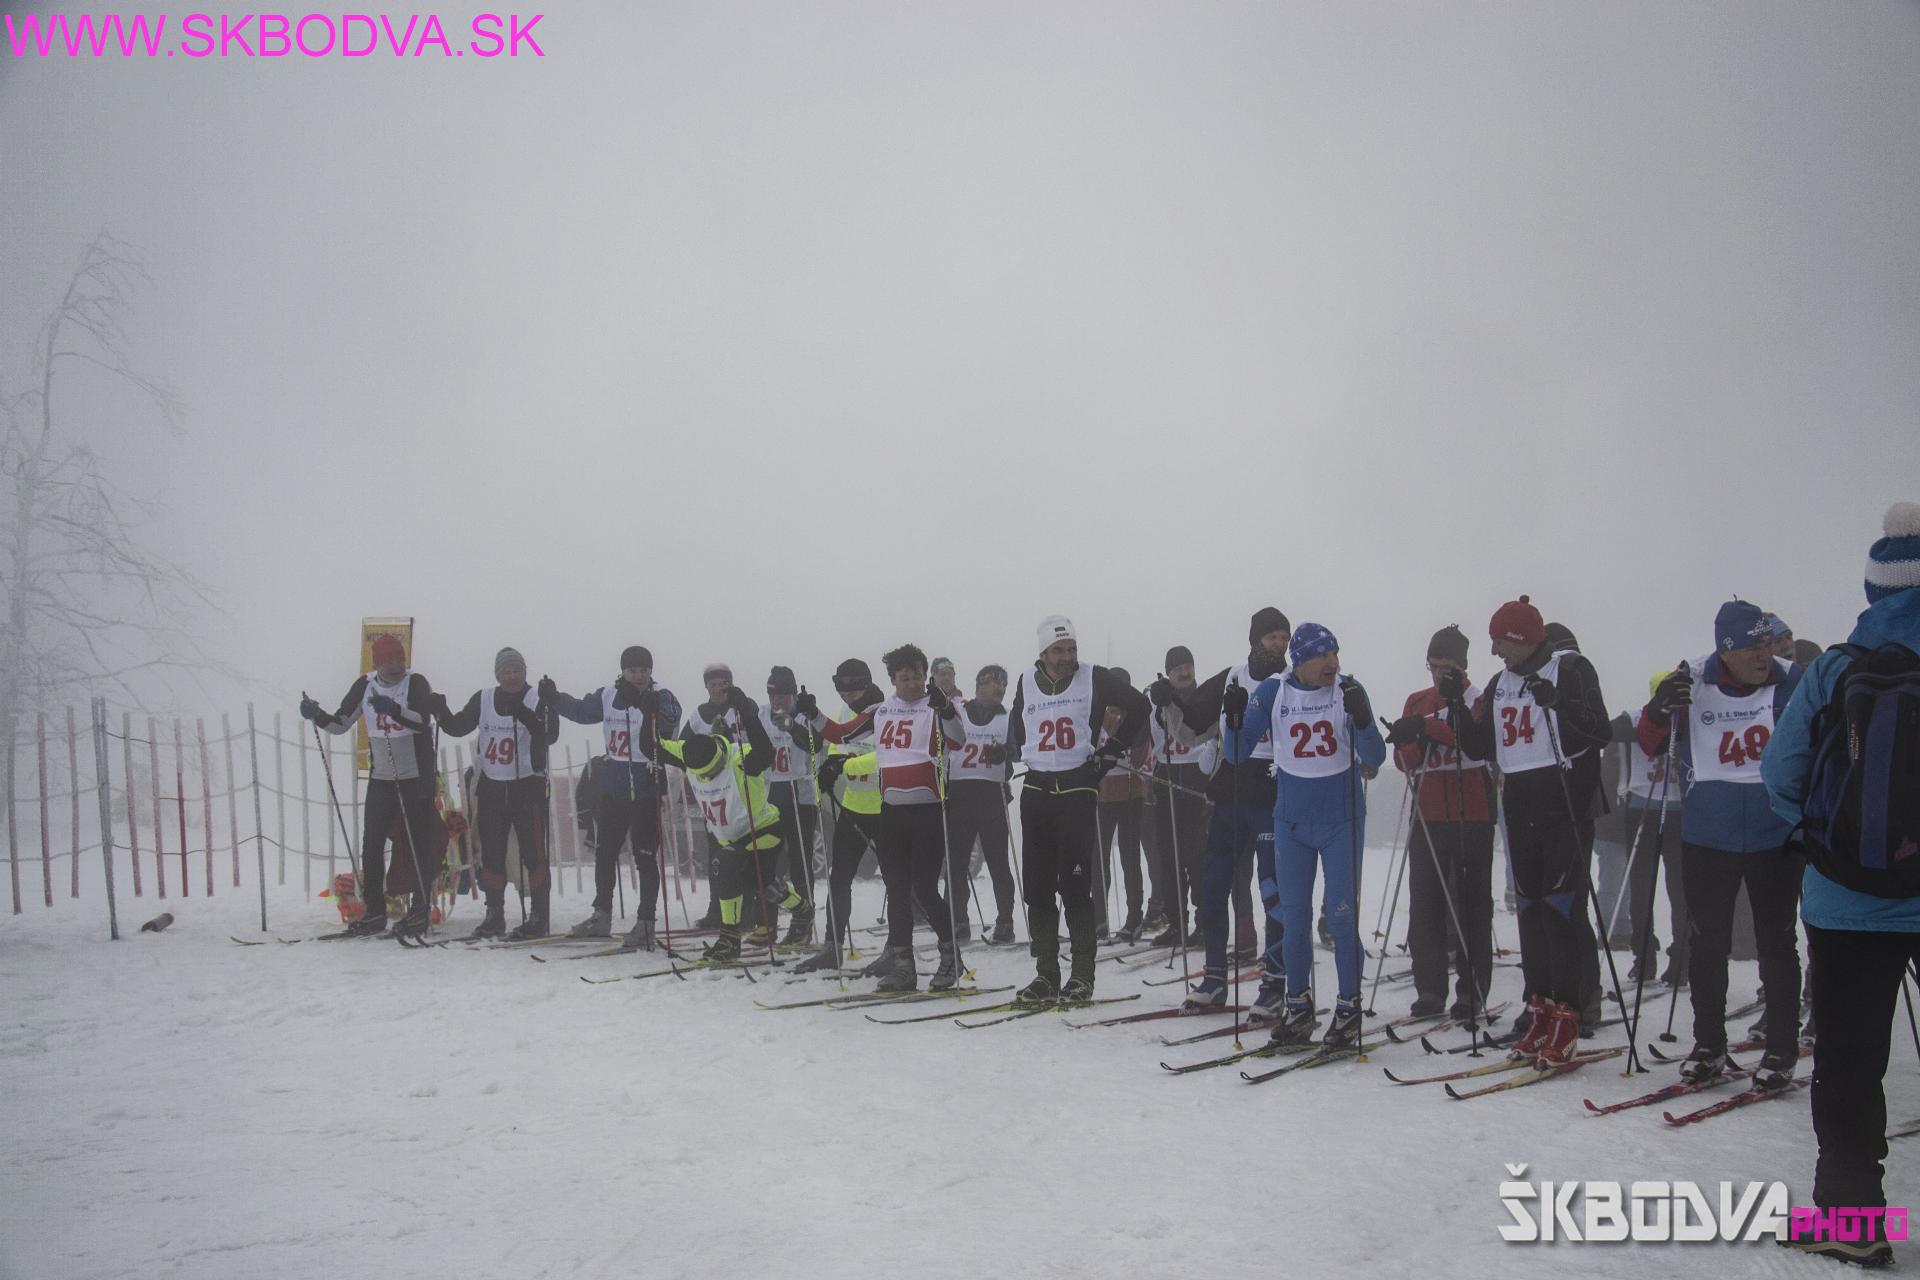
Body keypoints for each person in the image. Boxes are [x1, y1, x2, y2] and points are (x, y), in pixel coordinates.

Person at [1764, 501, 1920, 1269]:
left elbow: (1781, 773)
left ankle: (1854, 1222)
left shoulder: (1834, 669)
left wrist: (1820, 840)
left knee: (1851, 1061)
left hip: (1847, 899)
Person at [1638, 599, 1805, 1088]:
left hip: (1776, 835)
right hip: (1709, 836)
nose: (1764, 655)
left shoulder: (1794, 679)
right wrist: (1658, 706)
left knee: (1777, 943)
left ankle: (1780, 1049)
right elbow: (1650, 740)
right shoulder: (1691, 678)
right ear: (1726, 651)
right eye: (1754, 647)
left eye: (1769, 644)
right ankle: (1709, 1044)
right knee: (1707, 943)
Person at [1446, 595, 1611, 1067]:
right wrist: (1458, 706)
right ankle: (1538, 1007)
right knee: (1530, 914)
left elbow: (1597, 732)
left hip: (1564, 805)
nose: (1495, 650)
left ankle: (1569, 1014)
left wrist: (1558, 706)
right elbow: (1481, 747)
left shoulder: (1572, 669)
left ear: (1522, 638)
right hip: (1519, 806)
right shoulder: (1501, 683)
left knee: (1562, 912)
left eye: (1501, 640)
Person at [1232, 624, 1385, 1048]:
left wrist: (1364, 718)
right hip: (1292, 822)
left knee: (1340, 916)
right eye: (1323, 656)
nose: (1333, 663)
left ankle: (1349, 1008)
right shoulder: (1272, 692)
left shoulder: (1348, 690)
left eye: (1336, 653)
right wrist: (1232, 718)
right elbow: (1236, 752)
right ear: (1300, 660)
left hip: (1341, 820)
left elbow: (1375, 755)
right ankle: (1298, 1008)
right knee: (1292, 918)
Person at [800, 644, 970, 992]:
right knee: (895, 886)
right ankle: (904, 967)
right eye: (904, 678)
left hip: (928, 810)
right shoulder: (882, 710)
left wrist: (947, 711)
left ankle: (951, 956)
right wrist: (813, 713)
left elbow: (958, 740)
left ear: (926, 677)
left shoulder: (936, 706)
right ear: (893, 680)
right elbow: (840, 735)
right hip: (891, 810)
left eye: (918, 677)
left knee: (923, 887)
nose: (912, 684)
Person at [1009, 616, 1148, 1003]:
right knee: (1037, 887)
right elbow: (1019, 726)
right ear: (1043, 652)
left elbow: (1139, 706)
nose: (1067, 656)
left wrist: (1110, 753)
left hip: (1077, 789)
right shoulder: (1025, 681)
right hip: (1037, 790)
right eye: (1059, 650)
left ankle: (1082, 974)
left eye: (1071, 648)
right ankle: (1046, 974)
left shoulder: (1094, 677)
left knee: (1074, 883)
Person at [1160, 607, 1290, 1016]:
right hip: (1230, 796)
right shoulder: (1232, 677)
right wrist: (1168, 702)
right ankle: (1214, 977)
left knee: (1273, 892)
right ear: (1255, 639)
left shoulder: (1291, 681)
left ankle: (1274, 982)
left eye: (1284, 637)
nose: (1279, 644)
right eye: (1272, 637)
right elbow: (1194, 724)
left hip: (1270, 796)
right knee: (1214, 888)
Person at [1384, 625, 1497, 1021]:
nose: (1438, 674)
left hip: (1472, 812)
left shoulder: (1479, 699)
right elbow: (1404, 761)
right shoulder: (1418, 700)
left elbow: (1478, 744)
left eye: (1446, 667)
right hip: (1428, 813)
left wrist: (1433, 728)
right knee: (1425, 905)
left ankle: (1472, 990)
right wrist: (1407, 738)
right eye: (1432, 666)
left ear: (1462, 667)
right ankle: (1430, 988)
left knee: (1472, 905)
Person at [646, 684, 803, 964]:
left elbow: (765, 752)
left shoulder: (738, 759)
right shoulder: (688, 753)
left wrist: (746, 711)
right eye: (701, 776)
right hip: (731, 837)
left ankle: (729, 939)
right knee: (762, 883)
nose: (707, 778)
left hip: (763, 830)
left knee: (723, 866)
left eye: (712, 773)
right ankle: (803, 910)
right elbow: (650, 747)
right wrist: (648, 712)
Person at [299, 632, 443, 936]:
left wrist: (394, 710)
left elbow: (422, 720)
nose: (396, 666)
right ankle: (375, 911)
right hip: (382, 778)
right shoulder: (365, 685)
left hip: (416, 777)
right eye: (389, 660)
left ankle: (419, 910)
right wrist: (317, 715)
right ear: (377, 662)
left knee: (419, 842)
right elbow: (341, 724)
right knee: (372, 844)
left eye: (400, 659)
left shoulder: (415, 683)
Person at [541, 646, 683, 947]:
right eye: (633, 670)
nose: (639, 676)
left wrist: (648, 706)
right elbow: (581, 711)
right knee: (605, 854)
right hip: (615, 787)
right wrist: (554, 699)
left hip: (646, 787)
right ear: (623, 671)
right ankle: (601, 915)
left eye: (644, 670)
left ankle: (646, 922)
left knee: (646, 858)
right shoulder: (608, 695)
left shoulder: (662, 695)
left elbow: (671, 724)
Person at [434, 647, 559, 940]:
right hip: (492, 788)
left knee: (533, 854)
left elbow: (549, 733)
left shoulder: (535, 697)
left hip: (527, 787)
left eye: (516, 670)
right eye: (506, 671)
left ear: (524, 672)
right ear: (497, 674)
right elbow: (457, 726)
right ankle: (494, 914)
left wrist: (527, 715)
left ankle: (540, 915)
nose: (512, 676)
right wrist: (438, 710)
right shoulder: (485, 698)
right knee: (492, 854)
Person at [792, 659, 885, 974]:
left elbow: (883, 757)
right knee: (839, 878)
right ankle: (833, 948)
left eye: (854, 687)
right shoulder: (847, 712)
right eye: (841, 688)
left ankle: (898, 950)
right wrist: (830, 766)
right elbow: (836, 744)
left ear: (867, 683)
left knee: (898, 881)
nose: (848, 695)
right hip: (853, 806)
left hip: (886, 808)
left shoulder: (884, 712)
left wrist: (846, 765)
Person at [1616, 673, 1689, 986]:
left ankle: (1682, 960)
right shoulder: (1635, 715)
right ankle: (1643, 957)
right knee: (1641, 889)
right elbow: (1607, 730)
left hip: (1679, 811)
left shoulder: (1690, 718)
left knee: (1680, 891)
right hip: (1642, 807)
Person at [946, 663, 1018, 943]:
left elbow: (1016, 751)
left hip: (991, 795)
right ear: (979, 684)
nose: (1000, 688)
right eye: (994, 683)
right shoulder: (958, 712)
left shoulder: (1008, 717)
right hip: (960, 794)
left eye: (1004, 684)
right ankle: (957, 919)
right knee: (956, 862)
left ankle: (1005, 921)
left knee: (998, 862)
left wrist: (1005, 756)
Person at [759, 666, 820, 946]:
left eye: (783, 695)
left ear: (793, 695)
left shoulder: (805, 715)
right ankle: (766, 922)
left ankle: (802, 922)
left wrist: (793, 725)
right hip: (772, 796)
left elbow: (816, 746)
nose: (777, 701)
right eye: (773, 695)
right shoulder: (762, 715)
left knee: (800, 864)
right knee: (766, 862)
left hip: (801, 796)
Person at [1095, 667, 1156, 942]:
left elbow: (1144, 752)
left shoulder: (1137, 715)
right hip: (1103, 794)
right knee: (1098, 858)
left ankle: (1134, 918)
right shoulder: (1098, 714)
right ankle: (1098, 918)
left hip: (1131, 793)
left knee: (1129, 858)